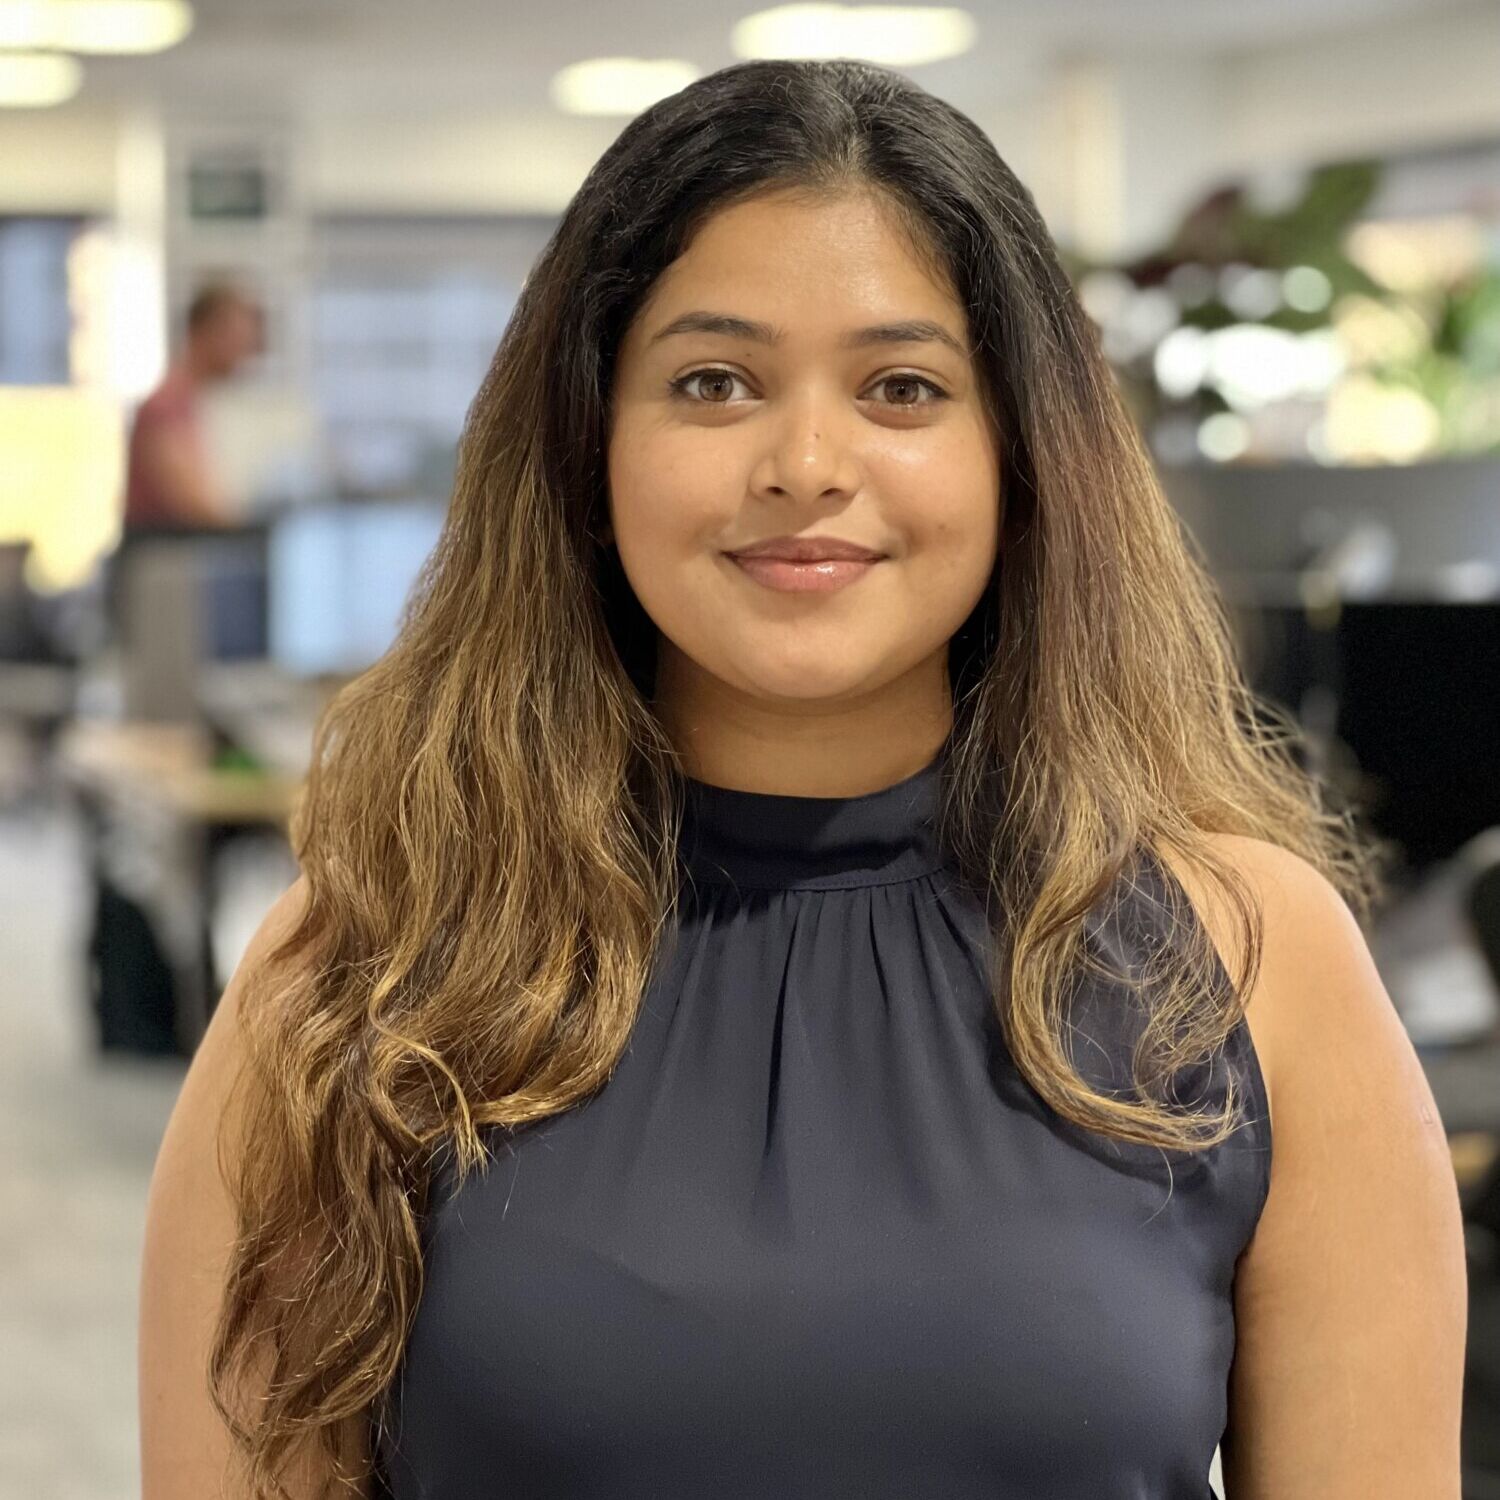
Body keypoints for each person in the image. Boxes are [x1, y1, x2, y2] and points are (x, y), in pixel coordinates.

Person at [138, 59, 1468, 1500]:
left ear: (1022, 453)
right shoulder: (361, 976)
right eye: (715, 382)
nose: (808, 461)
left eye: (904, 387)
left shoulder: (1253, 961)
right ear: (589, 447)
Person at [121, 281, 264, 534]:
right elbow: (197, 506)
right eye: (237, 338)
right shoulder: (164, 407)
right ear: (206, 332)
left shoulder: (191, 404)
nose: (245, 353)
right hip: (159, 564)